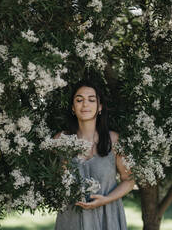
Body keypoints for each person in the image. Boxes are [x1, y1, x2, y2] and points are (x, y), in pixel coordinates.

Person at [54, 80, 135, 230]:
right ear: (73, 107)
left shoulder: (114, 140)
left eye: (91, 100)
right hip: (71, 218)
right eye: (79, 100)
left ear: (100, 107)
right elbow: (53, 180)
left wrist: (106, 199)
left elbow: (129, 180)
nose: (85, 105)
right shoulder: (61, 140)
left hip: (107, 216)